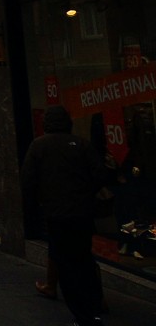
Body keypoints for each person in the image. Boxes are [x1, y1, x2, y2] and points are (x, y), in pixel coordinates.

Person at [21, 105, 107, 326]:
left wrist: (39, 203)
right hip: (82, 213)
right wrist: (85, 194)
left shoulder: (38, 146)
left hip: (57, 214)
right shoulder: (81, 144)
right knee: (84, 258)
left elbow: (28, 181)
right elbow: (99, 175)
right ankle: (95, 303)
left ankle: (83, 315)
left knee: (66, 263)